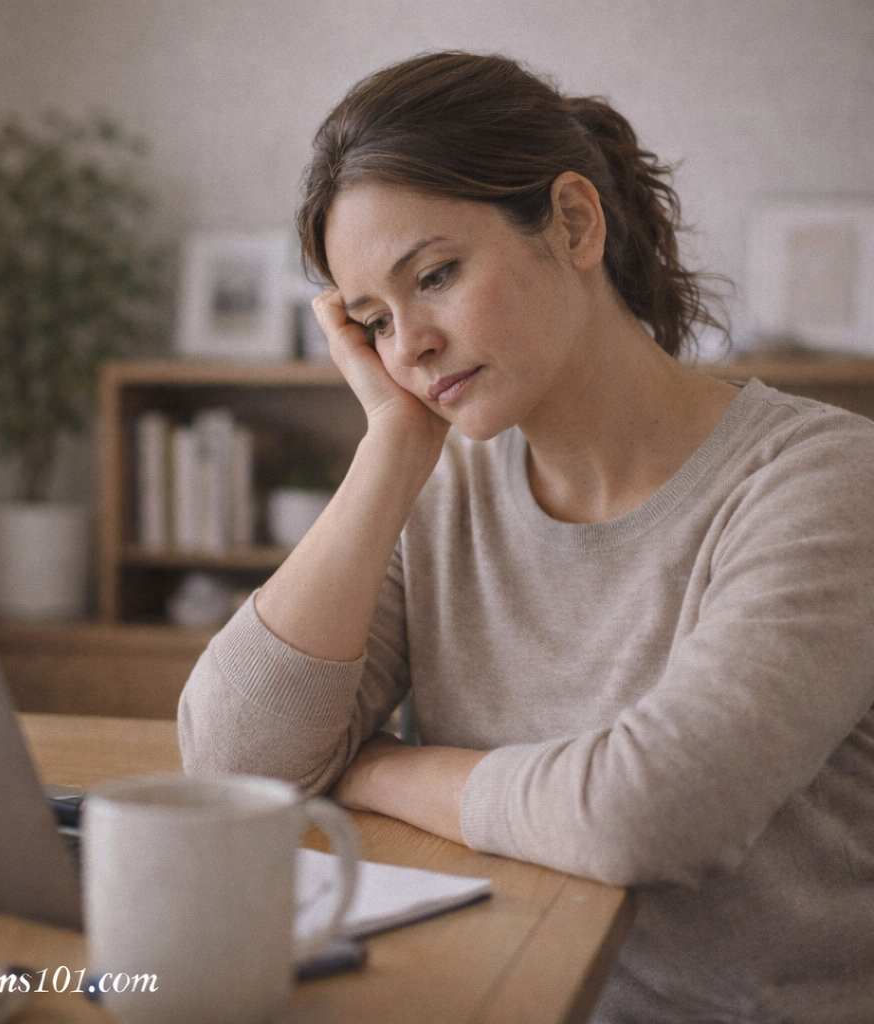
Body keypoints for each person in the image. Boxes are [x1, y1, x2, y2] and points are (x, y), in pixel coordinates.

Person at [179, 51, 874, 1022]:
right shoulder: (439, 487)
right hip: (505, 995)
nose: (408, 344)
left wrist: (375, 765)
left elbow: (644, 815)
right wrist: (389, 450)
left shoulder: (825, 481)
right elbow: (233, 763)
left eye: (436, 275)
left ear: (575, 223)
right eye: (374, 320)